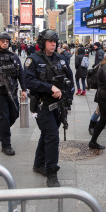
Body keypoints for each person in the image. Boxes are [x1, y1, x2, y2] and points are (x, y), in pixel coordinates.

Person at [25, 29, 74, 187]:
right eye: (49, 41)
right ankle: (51, 172)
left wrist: (69, 100)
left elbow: (70, 81)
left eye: (55, 42)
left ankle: (38, 164)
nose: (53, 44)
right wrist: (49, 87)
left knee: (47, 134)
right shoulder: (32, 60)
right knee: (52, 136)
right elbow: (29, 82)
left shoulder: (61, 59)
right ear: (42, 43)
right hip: (42, 105)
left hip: (58, 106)